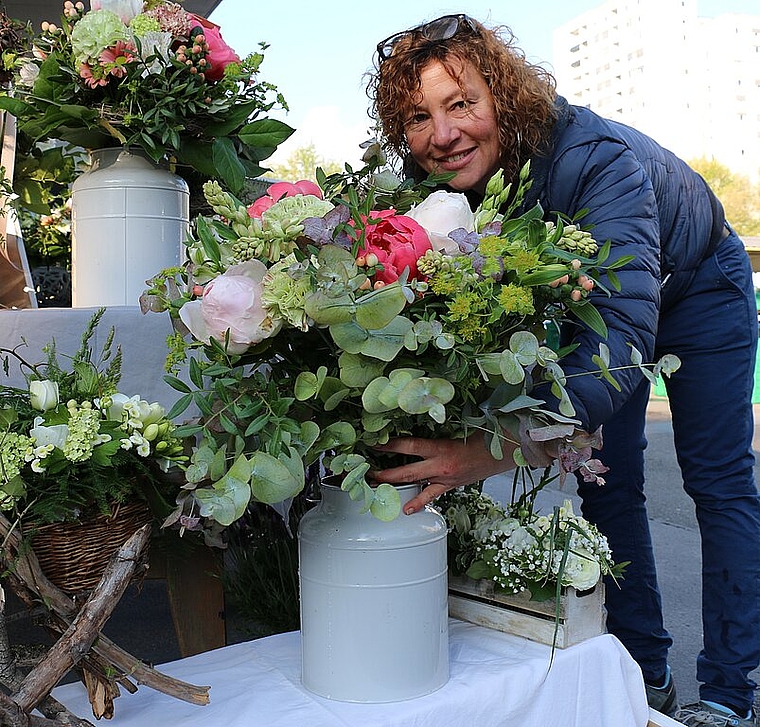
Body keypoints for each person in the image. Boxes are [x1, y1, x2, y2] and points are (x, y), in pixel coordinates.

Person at [366, 13, 760, 726]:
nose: (443, 133)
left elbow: (618, 343)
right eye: (418, 118)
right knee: (610, 486)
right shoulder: (439, 185)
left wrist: (487, 451)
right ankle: (645, 673)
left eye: (462, 104)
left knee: (717, 479)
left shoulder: (595, 161)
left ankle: (731, 691)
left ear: (504, 97)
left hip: (698, 286)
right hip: (604, 305)